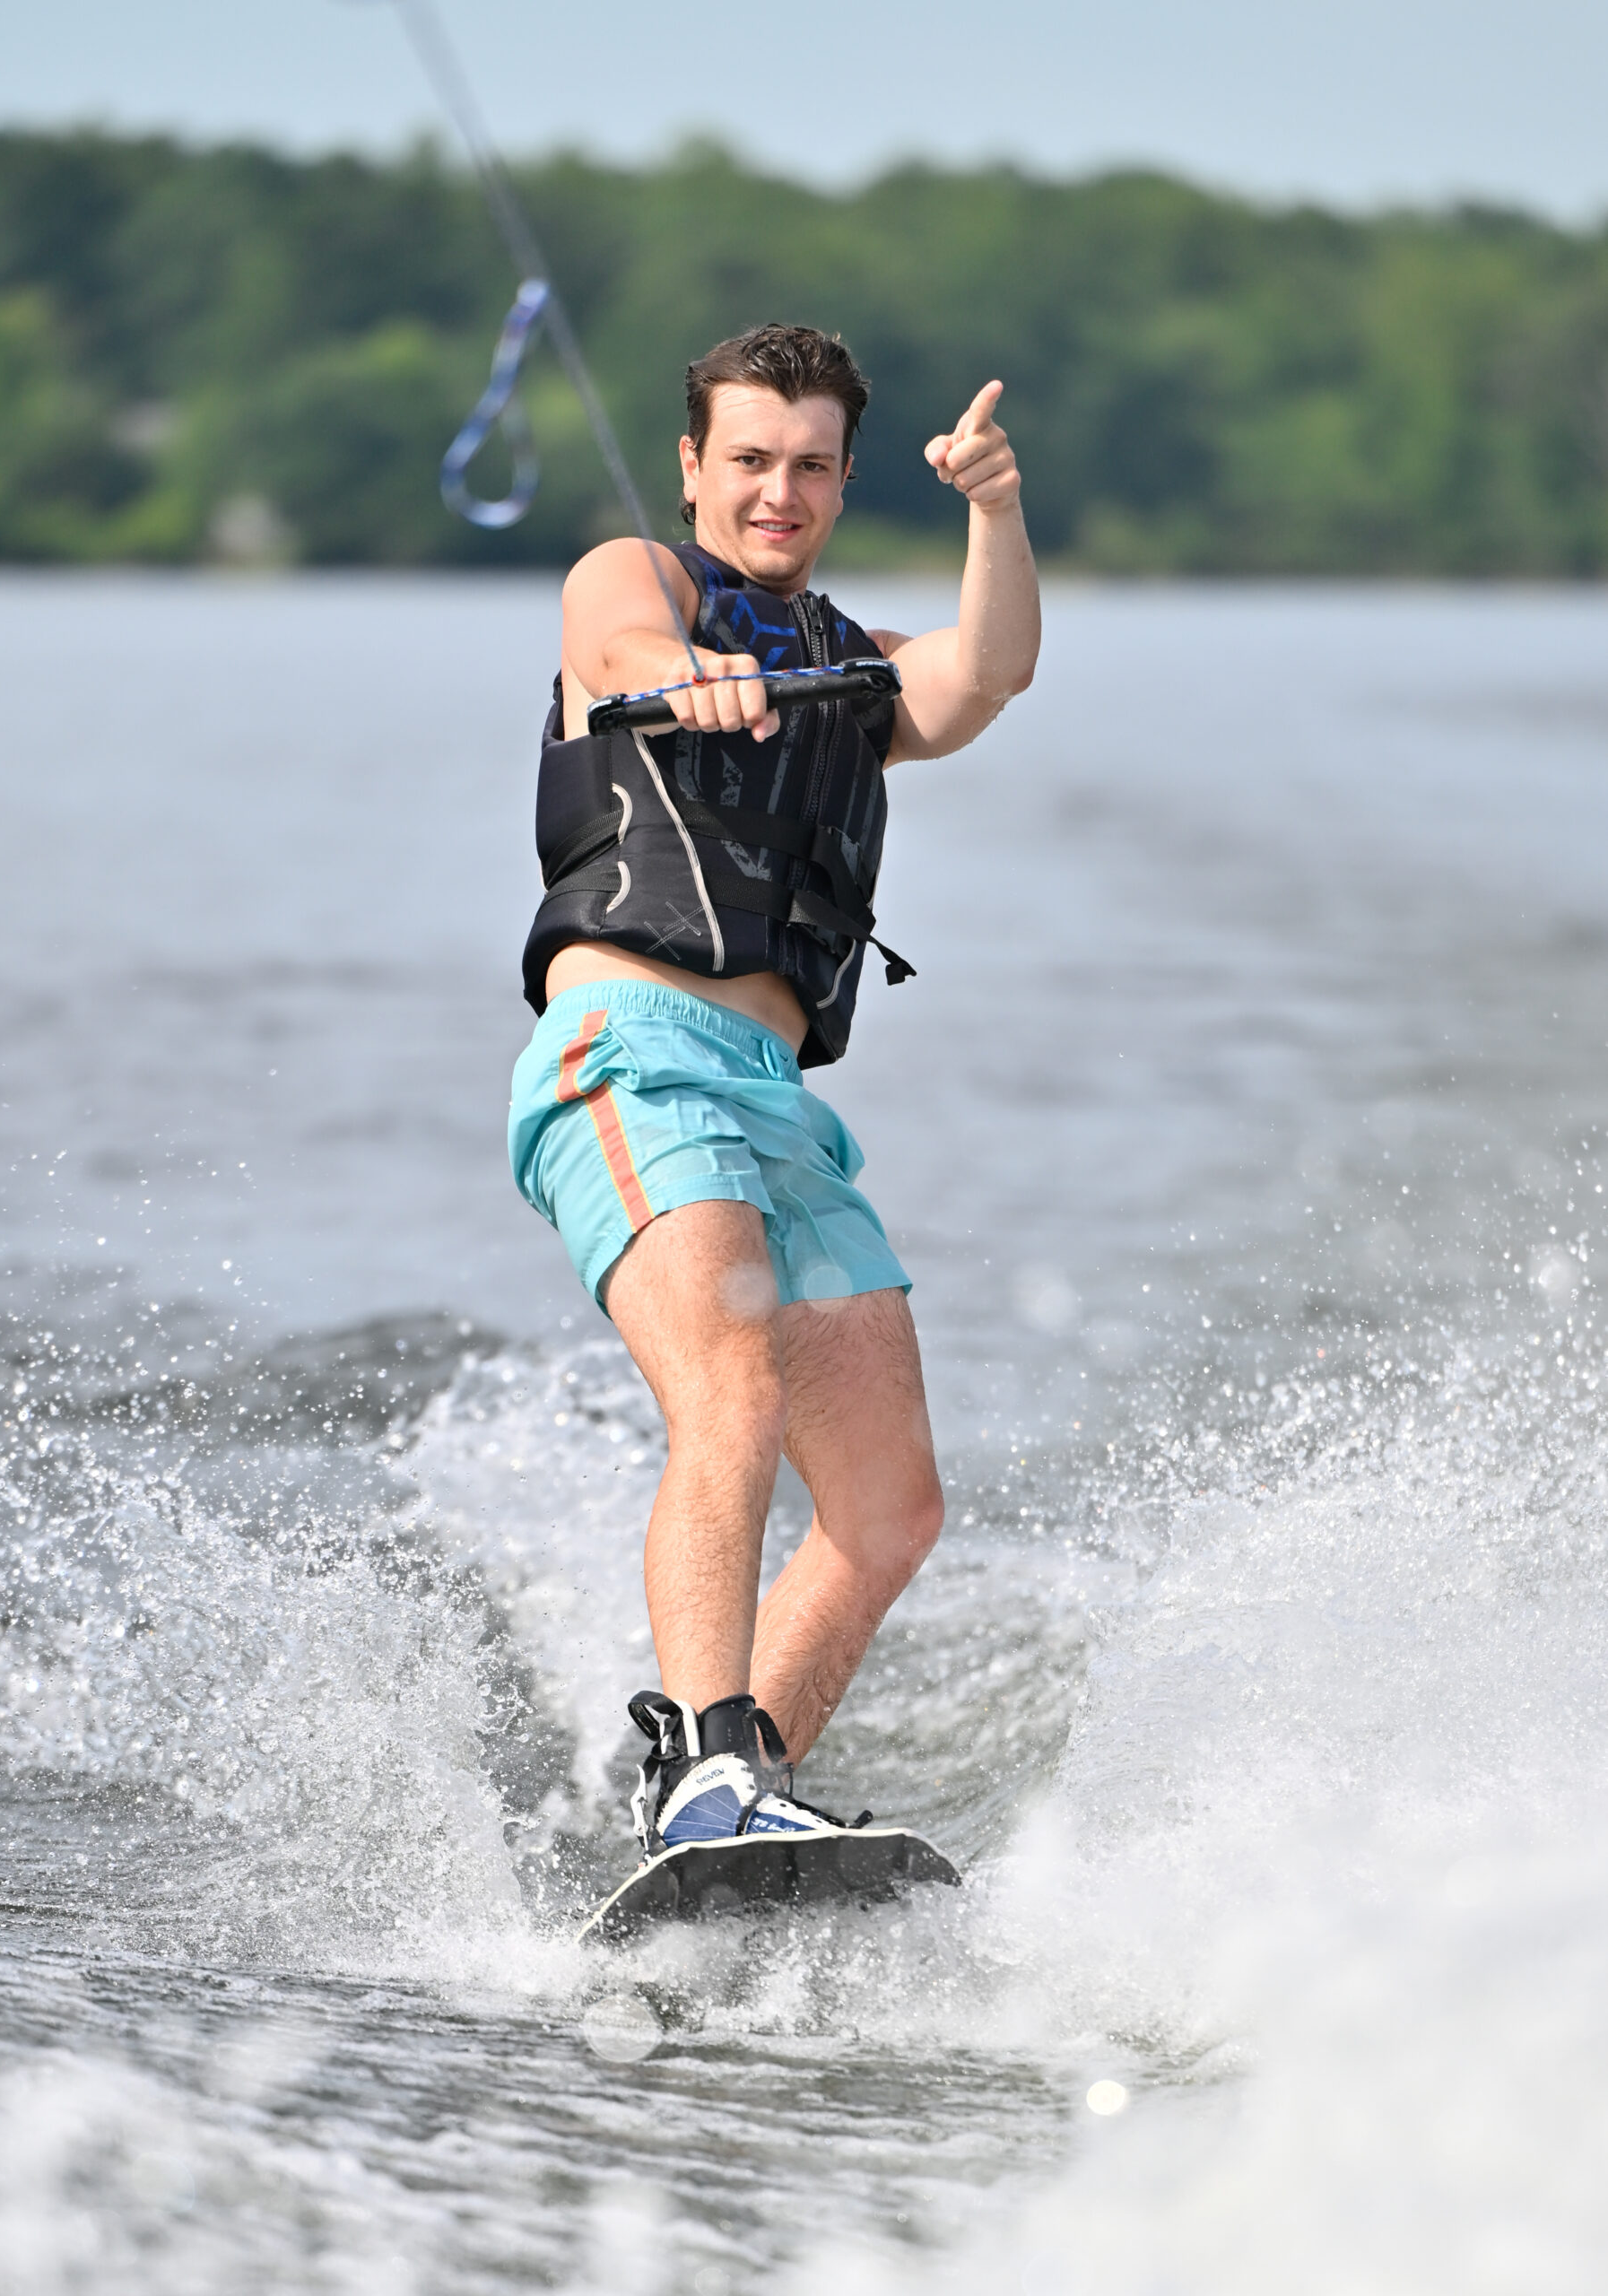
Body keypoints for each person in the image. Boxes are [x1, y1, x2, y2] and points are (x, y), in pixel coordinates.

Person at [508, 324, 1039, 1857]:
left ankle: (726, 1813)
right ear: (694, 466)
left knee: (889, 1511)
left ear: (846, 480)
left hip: (778, 1103)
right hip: (632, 1049)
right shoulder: (635, 578)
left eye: (809, 465)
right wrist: (690, 679)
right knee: (728, 1375)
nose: (776, 491)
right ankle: (706, 1768)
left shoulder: (852, 667)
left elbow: (989, 673)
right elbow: (614, 648)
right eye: (748, 460)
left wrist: (993, 511)